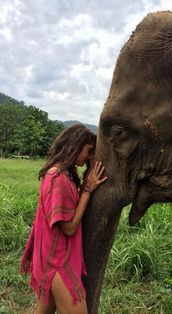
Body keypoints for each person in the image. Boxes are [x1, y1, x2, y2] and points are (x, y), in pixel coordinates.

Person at [20, 124, 107, 314]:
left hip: (49, 257)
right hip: (58, 261)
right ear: (75, 145)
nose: (89, 157)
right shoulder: (58, 178)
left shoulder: (63, 173)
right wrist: (87, 190)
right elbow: (68, 227)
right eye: (89, 150)